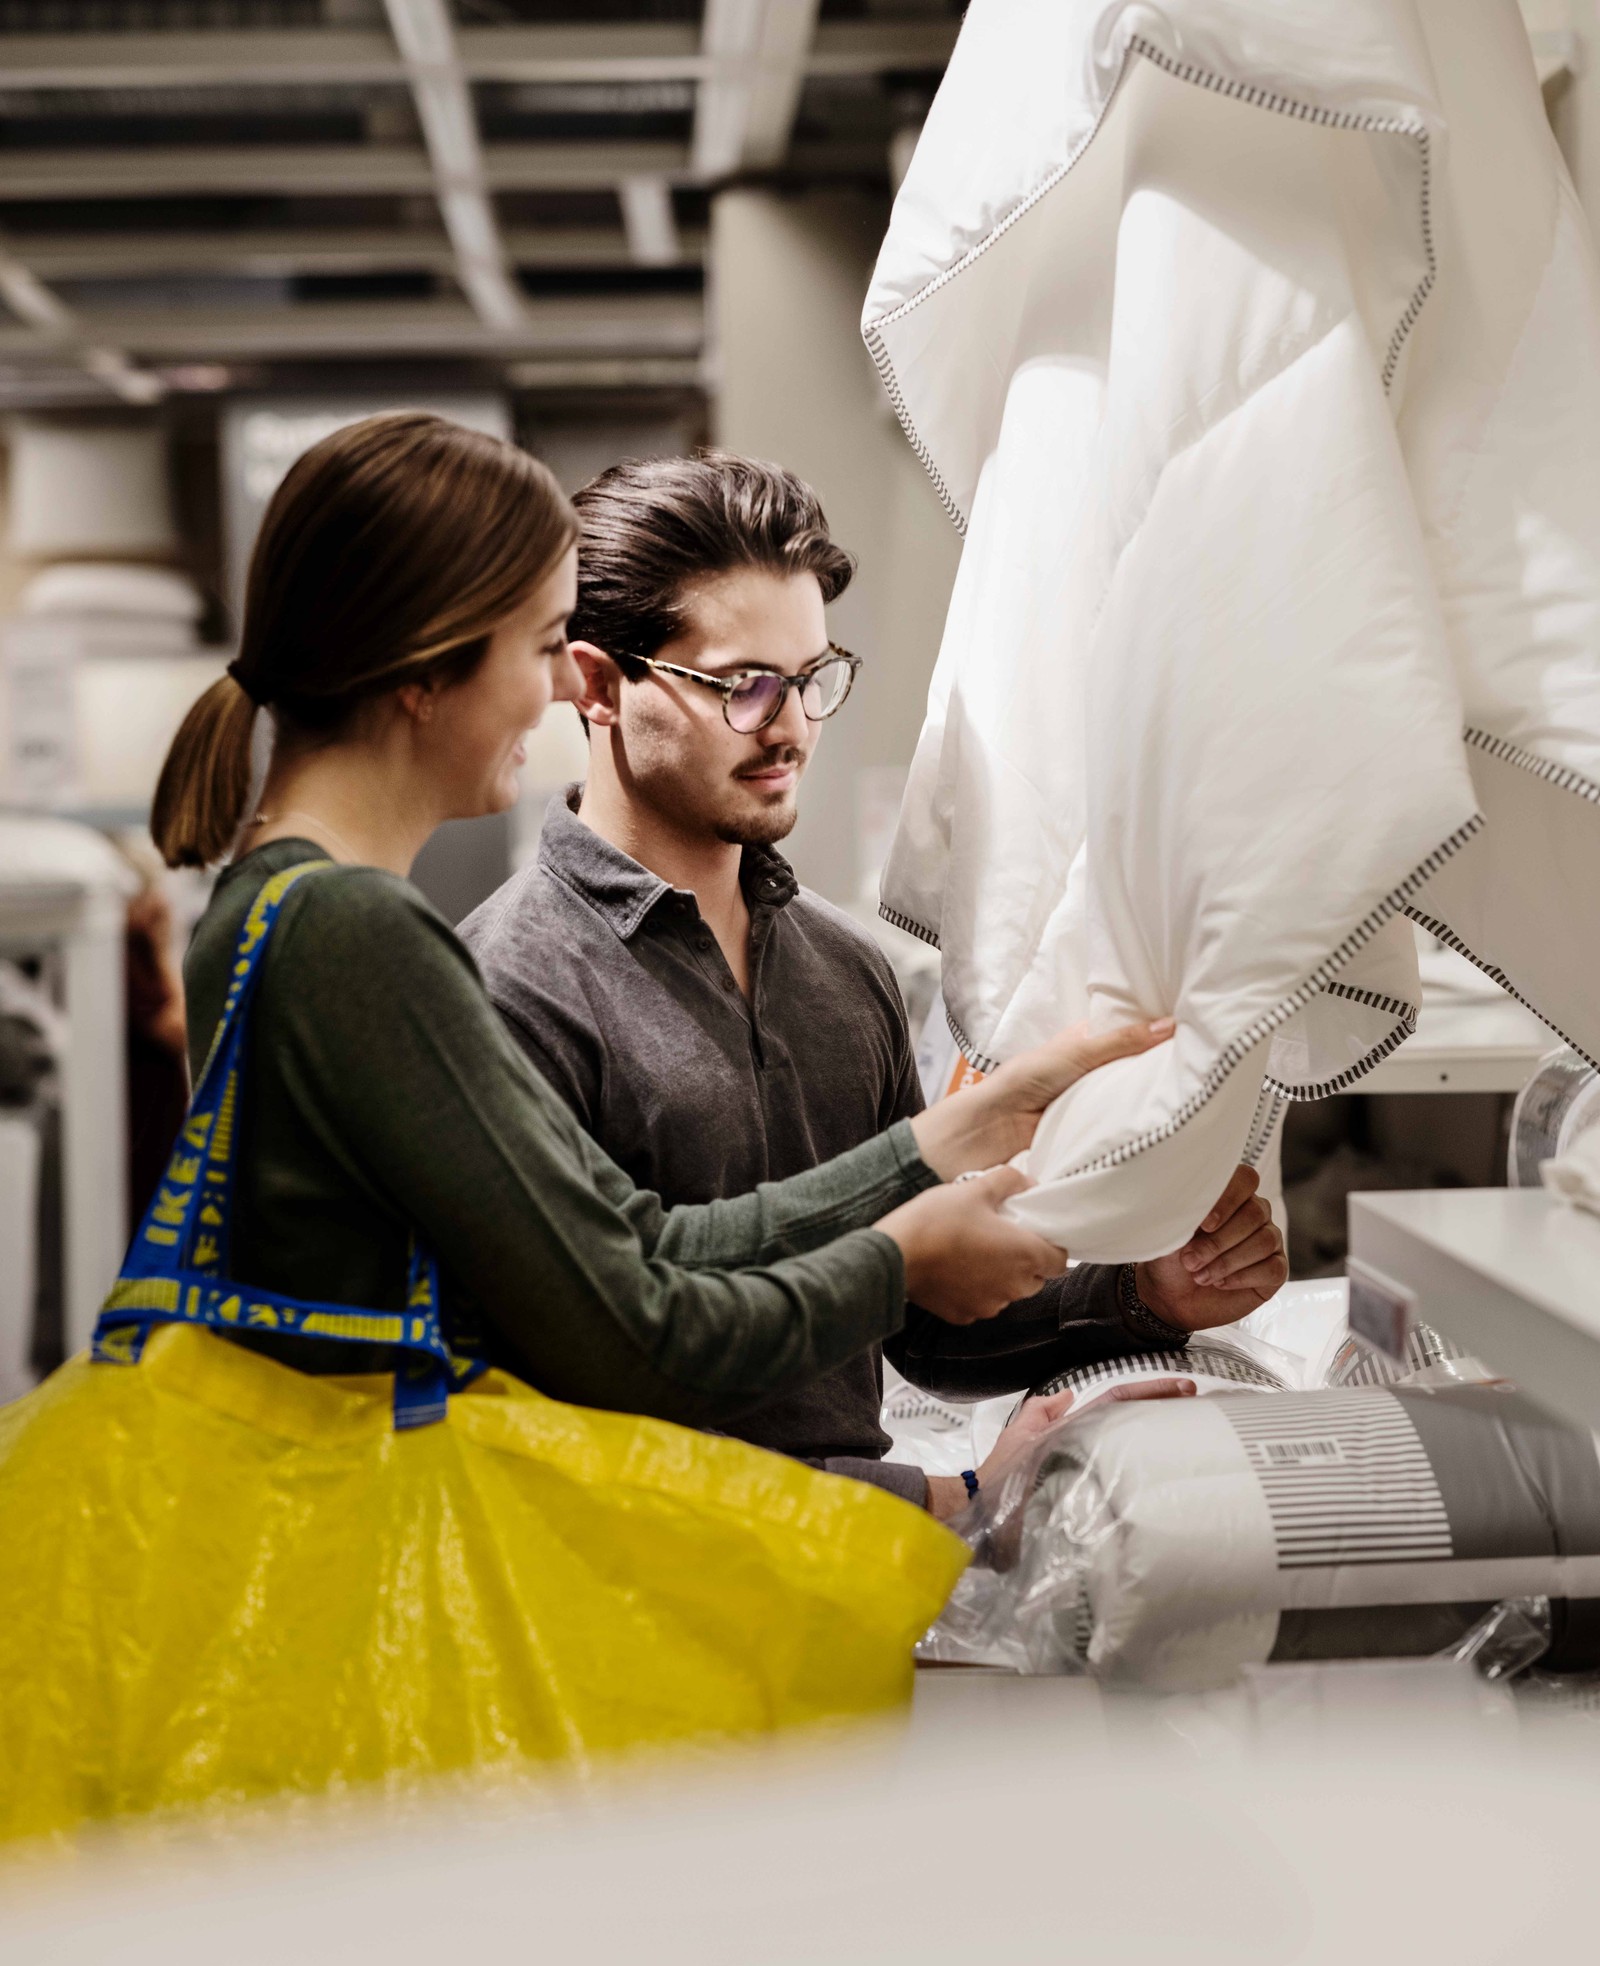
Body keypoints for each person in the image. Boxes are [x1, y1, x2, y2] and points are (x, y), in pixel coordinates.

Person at [0, 413, 1191, 1841]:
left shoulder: (268, 904)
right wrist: (907, 1311)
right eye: (534, 645)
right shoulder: (360, 932)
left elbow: (639, 1249)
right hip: (377, 1568)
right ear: (428, 670)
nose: (544, 696)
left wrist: (948, 1142)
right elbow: (626, 1318)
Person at [461, 452, 1288, 1516]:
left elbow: (918, 1318)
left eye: (810, 679)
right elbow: (575, 1405)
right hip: (627, 1623)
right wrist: (944, 1497)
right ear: (598, 686)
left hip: (850, 1584)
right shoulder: (508, 990)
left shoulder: (842, 972)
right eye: (740, 685)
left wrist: (1144, 1295)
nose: (792, 726)